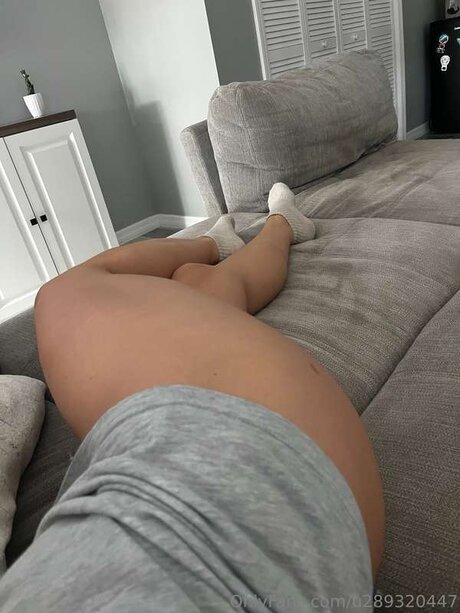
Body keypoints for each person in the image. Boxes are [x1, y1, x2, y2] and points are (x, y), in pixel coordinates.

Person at [0, 184, 384, 611]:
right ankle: (243, 235)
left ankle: (236, 239)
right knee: (66, 291)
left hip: (323, 543)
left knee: (197, 288)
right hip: (271, 481)